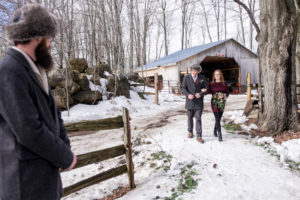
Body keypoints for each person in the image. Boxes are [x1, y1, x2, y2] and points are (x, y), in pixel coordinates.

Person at [0, 4, 76, 200]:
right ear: (38, 37)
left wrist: (64, 147)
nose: (50, 43)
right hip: (24, 184)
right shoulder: (8, 71)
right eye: (49, 37)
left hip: (42, 180)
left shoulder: (35, 69)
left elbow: (53, 114)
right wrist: (64, 156)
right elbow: (28, 129)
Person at [182, 64, 208, 143]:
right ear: (191, 70)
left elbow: (206, 88)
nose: (195, 73)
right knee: (189, 118)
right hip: (190, 101)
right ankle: (190, 132)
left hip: (199, 102)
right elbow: (183, 88)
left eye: (196, 71)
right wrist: (188, 95)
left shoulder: (202, 78)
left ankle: (199, 136)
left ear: (198, 71)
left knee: (198, 119)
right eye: (193, 71)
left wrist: (201, 94)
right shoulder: (186, 77)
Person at [209, 69, 229, 142]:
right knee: (217, 117)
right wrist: (203, 90)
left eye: (218, 74)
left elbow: (227, 93)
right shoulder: (211, 84)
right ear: (214, 76)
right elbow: (208, 90)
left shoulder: (224, 83)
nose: (217, 76)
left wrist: (223, 96)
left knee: (219, 118)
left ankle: (215, 130)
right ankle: (219, 133)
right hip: (214, 103)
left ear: (220, 75)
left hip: (221, 103)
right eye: (215, 74)